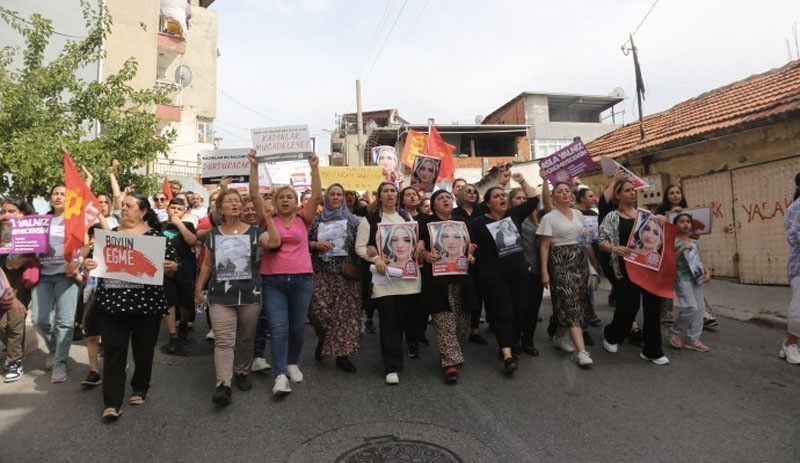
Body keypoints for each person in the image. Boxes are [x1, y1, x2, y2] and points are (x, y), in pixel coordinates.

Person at [83, 193, 179, 422]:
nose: (123, 209)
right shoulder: (109, 237)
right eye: (122, 206)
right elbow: (90, 263)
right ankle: (112, 402)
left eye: (129, 206)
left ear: (143, 211)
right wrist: (88, 263)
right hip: (112, 305)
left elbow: (174, 268)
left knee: (144, 350)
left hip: (146, 306)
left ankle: (140, 387)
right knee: (114, 351)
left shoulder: (158, 238)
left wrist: (171, 266)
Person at [195, 164, 279, 405]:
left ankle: (242, 370)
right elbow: (207, 266)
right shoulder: (213, 234)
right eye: (229, 201)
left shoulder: (254, 233)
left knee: (245, 338)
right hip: (220, 296)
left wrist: (268, 219)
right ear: (220, 208)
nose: (234, 204)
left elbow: (273, 242)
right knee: (224, 340)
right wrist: (198, 289)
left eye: (237, 201)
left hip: (249, 295)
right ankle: (223, 383)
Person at [255, 151, 322, 396]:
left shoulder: (304, 220)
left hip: (302, 278)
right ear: (274, 200)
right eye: (281, 197)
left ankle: (293, 363)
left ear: (296, 202)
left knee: (297, 327)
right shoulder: (267, 219)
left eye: (289, 197)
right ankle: (280, 374)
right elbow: (253, 195)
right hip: (273, 280)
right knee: (279, 327)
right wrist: (253, 167)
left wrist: (314, 168)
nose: (285, 200)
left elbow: (315, 194)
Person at [469, 172, 539, 375]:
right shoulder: (478, 224)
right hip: (493, 276)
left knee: (518, 310)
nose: (502, 198)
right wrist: (471, 254)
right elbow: (471, 245)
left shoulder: (513, 215)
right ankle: (507, 354)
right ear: (488, 204)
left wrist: (522, 181)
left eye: (503, 195)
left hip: (518, 273)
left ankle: (510, 342)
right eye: (497, 196)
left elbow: (533, 200)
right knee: (503, 312)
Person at [598, 180, 669, 365]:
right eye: (627, 190)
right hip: (625, 268)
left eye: (633, 190)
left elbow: (659, 238)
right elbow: (601, 240)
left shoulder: (646, 216)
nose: (632, 193)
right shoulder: (612, 216)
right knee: (628, 308)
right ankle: (612, 335)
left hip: (648, 268)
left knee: (653, 308)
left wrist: (661, 220)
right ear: (618, 195)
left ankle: (653, 351)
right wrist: (615, 249)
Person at [356, 181, 421, 385]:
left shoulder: (406, 217)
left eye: (393, 191)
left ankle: (401, 350)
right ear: (379, 196)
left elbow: (416, 238)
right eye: (385, 191)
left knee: (402, 322)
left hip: (409, 279)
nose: (390, 194)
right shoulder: (370, 220)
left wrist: (420, 244)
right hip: (384, 282)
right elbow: (360, 247)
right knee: (389, 324)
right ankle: (392, 367)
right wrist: (375, 259)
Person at [538, 182, 600, 368]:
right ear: (553, 197)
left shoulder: (580, 214)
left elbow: (586, 241)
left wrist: (593, 262)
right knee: (571, 303)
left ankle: (558, 338)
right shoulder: (549, 218)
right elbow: (544, 246)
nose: (565, 193)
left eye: (567, 190)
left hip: (580, 262)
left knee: (575, 302)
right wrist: (544, 272)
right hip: (560, 263)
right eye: (560, 191)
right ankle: (582, 352)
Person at [418, 190, 476, 383]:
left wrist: (471, 254)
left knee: (462, 322)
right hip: (437, 280)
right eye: (440, 198)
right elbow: (417, 249)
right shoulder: (425, 224)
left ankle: (454, 352)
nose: (445, 200)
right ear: (433, 205)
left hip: (461, 278)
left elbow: (472, 245)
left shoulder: (463, 222)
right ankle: (450, 362)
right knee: (444, 320)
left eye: (448, 198)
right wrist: (425, 254)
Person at [308, 183, 363, 373]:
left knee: (345, 317)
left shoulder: (354, 222)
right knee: (319, 313)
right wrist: (315, 244)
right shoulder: (315, 221)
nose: (336, 198)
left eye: (339, 194)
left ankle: (343, 356)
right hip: (321, 273)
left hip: (345, 274)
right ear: (326, 198)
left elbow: (362, 245)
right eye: (332, 194)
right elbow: (302, 242)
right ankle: (325, 340)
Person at [31, 185, 83, 383]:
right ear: (50, 197)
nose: (59, 197)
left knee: (64, 321)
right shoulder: (40, 221)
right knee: (39, 319)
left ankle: (60, 362)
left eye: (63, 194)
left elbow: (86, 244)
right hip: (43, 275)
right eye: (55, 193)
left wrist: (78, 262)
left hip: (66, 276)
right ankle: (54, 348)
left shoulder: (75, 219)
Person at [0, 197, 35, 383]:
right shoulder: (3, 231)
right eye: (3, 211)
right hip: (2, 277)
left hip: (22, 278)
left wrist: (23, 261)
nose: (6, 215)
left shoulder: (33, 229)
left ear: (22, 213)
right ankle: (14, 350)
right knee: (1, 323)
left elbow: (40, 255)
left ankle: (14, 361)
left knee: (14, 319)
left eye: (11, 211)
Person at [667, 213, 712, 353]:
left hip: (696, 277)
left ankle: (693, 339)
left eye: (688, 221)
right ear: (675, 225)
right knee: (690, 307)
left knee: (700, 308)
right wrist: (681, 249)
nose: (685, 224)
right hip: (681, 277)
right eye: (681, 221)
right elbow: (669, 261)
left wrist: (706, 271)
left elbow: (698, 259)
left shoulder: (694, 241)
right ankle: (675, 331)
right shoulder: (672, 241)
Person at [160, 197, 197, 354]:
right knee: (169, 301)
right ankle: (173, 334)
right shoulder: (160, 226)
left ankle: (183, 323)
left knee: (187, 300)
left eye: (179, 209)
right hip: (165, 267)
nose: (175, 211)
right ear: (167, 208)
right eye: (172, 207)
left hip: (185, 267)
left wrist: (179, 223)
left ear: (184, 212)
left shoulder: (187, 225)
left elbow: (191, 241)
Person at [780, 172, 800, 365]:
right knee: (798, 308)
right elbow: (793, 236)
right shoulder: (796, 208)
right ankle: (791, 344)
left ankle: (787, 344)